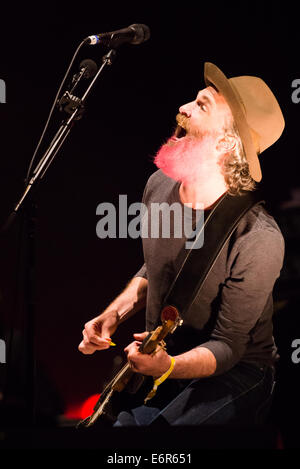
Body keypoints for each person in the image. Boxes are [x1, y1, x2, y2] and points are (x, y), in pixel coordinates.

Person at [78, 62, 285, 426]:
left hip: (234, 374)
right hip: (166, 357)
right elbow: (157, 267)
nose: (183, 108)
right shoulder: (158, 186)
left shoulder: (258, 238)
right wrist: (115, 313)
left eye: (202, 105)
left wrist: (169, 367)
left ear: (224, 143)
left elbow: (230, 345)